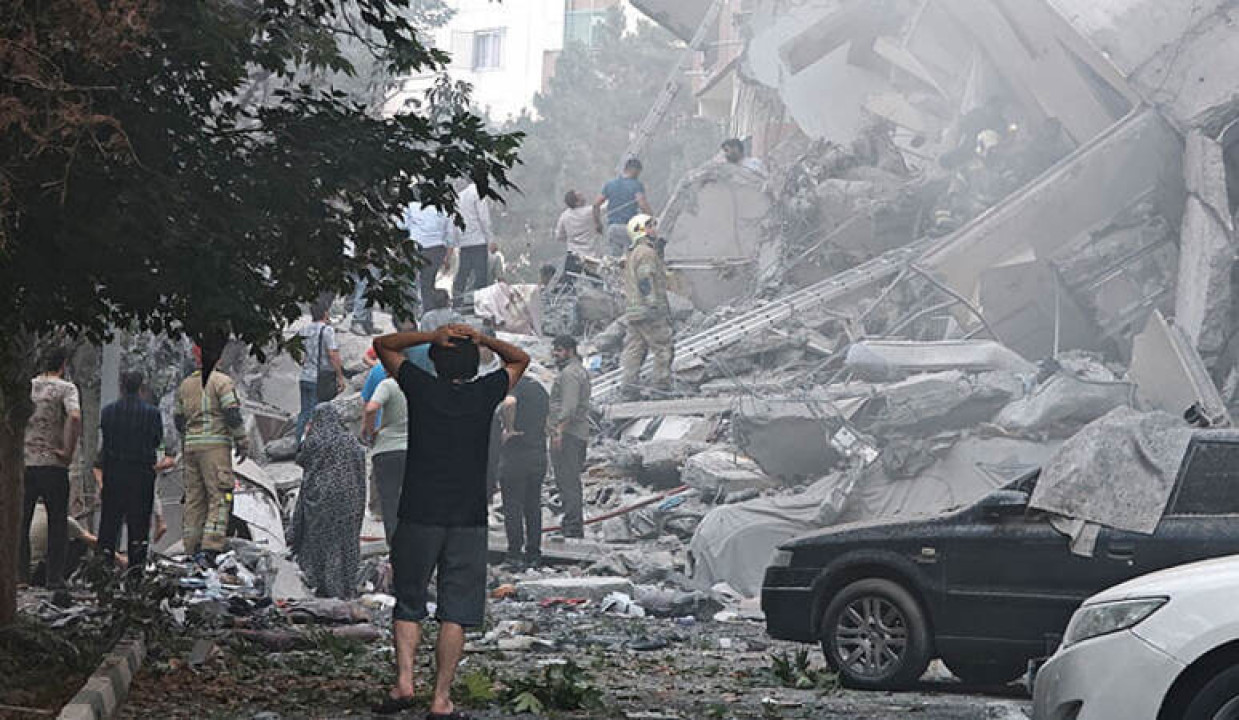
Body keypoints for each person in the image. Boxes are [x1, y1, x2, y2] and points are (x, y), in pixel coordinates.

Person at [371, 322, 530, 717]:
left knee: (409, 600)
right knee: (455, 609)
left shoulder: (421, 387)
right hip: (467, 516)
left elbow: (384, 345)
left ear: (436, 362)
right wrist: (483, 338)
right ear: (475, 364)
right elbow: (519, 359)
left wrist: (431, 335)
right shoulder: (484, 393)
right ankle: (441, 699)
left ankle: (404, 683)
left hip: (419, 511)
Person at [175, 345, 249, 561]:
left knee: (194, 499)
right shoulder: (221, 382)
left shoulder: (185, 385)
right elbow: (231, 413)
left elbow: (178, 419)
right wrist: (242, 441)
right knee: (220, 495)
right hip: (215, 448)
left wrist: (190, 437)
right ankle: (211, 547)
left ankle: (191, 546)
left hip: (191, 448)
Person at [98, 371, 176, 571]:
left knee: (109, 525)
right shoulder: (152, 414)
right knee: (139, 528)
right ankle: (135, 572)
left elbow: (106, 442)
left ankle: (103, 569)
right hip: (141, 477)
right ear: (141, 388)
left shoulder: (108, 412)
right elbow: (156, 440)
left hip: (114, 475)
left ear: (121, 387)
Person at [18, 346, 82, 590]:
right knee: (57, 523)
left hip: (26, 462)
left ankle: (20, 577)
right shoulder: (66, 388)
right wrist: (67, 451)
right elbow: (74, 417)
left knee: (22, 521)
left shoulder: (28, 387)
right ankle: (54, 579)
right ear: (63, 365)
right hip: (53, 465)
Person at [289, 404, 366, 598]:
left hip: (321, 498)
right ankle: (345, 586)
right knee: (345, 541)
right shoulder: (351, 440)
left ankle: (321, 584)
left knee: (320, 540)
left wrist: (305, 435)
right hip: (350, 499)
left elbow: (300, 459)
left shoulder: (315, 440)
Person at [499, 374, 550, 567]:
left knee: (513, 506)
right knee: (533, 505)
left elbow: (509, 403)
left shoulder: (515, 386)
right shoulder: (540, 389)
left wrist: (509, 429)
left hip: (517, 455)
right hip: (538, 453)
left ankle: (514, 554)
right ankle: (534, 553)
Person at [621, 214, 673, 400]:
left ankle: (628, 389)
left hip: (634, 312)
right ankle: (661, 388)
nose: (655, 229)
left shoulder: (634, 253)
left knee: (634, 350)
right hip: (648, 311)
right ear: (641, 230)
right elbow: (645, 280)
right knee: (663, 348)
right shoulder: (646, 253)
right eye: (650, 226)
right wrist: (653, 305)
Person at [548, 335, 591, 539]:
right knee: (569, 480)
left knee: (567, 481)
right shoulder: (578, 370)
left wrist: (559, 432)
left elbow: (569, 407)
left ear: (570, 351)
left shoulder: (569, 374)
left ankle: (572, 526)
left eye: (559, 350)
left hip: (569, 434)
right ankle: (571, 523)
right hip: (575, 433)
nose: (555, 354)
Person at [362, 371, 408, 543]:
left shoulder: (388, 385)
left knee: (389, 500)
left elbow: (371, 407)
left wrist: (369, 431)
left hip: (387, 449)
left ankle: (395, 544)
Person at [296, 298, 347, 442]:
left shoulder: (304, 330)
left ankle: (299, 443)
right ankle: (314, 445)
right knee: (316, 414)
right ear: (325, 313)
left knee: (304, 412)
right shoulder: (327, 330)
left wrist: (304, 363)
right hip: (319, 379)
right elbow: (332, 354)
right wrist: (340, 377)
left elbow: (298, 352)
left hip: (305, 376)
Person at [594, 157, 653, 257]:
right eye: (638, 173)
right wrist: (651, 219)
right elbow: (642, 204)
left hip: (613, 228)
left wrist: (598, 224)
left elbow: (596, 205)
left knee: (614, 259)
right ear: (635, 170)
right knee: (635, 256)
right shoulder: (636, 185)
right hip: (629, 228)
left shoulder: (610, 184)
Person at [402, 201, 453, 310]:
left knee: (411, 282)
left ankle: (412, 312)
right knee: (428, 284)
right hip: (437, 249)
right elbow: (450, 233)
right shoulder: (444, 207)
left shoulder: (411, 206)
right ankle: (429, 312)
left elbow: (402, 225)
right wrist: (448, 257)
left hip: (416, 248)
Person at [452, 181, 493, 302]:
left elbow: (454, 222)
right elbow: (484, 218)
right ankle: (481, 305)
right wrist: (490, 239)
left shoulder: (458, 197)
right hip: (478, 241)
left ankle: (456, 303)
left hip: (464, 242)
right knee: (481, 277)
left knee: (462, 275)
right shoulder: (477, 192)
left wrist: (456, 241)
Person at [555, 190, 600, 265]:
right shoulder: (589, 211)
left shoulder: (564, 215)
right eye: (580, 196)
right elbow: (604, 207)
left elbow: (559, 236)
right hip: (589, 256)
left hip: (572, 255)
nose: (584, 196)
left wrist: (571, 238)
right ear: (577, 203)